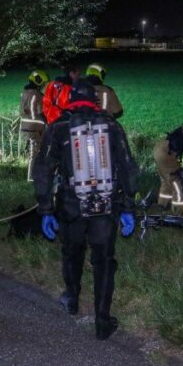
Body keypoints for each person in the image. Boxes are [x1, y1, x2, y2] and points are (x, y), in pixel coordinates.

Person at [33, 80, 139, 340]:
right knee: (104, 260)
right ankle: (102, 320)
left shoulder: (58, 126)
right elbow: (128, 168)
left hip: (71, 204)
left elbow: (44, 171)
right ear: (95, 100)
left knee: (72, 252)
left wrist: (46, 210)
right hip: (106, 204)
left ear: (71, 99)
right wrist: (128, 207)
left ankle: (72, 299)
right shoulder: (111, 126)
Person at [19, 69, 49, 181]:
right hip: (35, 127)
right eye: (43, 83)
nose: (43, 86)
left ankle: (34, 176)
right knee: (35, 153)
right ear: (38, 81)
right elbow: (41, 112)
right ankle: (32, 178)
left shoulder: (24, 92)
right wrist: (48, 122)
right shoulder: (38, 95)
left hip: (25, 126)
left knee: (33, 152)